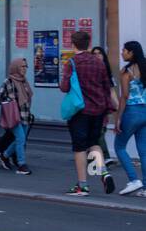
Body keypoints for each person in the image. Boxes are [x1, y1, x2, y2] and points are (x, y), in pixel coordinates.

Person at [59, 29, 116, 195]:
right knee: (94, 143)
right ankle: (103, 172)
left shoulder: (72, 63)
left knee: (80, 148)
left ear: (73, 44)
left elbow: (65, 87)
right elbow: (106, 86)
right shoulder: (98, 62)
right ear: (88, 44)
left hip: (80, 110)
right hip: (98, 110)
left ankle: (82, 185)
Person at [0, 57, 34, 175]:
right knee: (20, 139)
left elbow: (27, 98)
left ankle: (3, 156)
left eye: (26, 66)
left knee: (21, 140)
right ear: (15, 67)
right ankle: (22, 164)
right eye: (22, 66)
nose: (25, 69)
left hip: (25, 115)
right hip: (13, 116)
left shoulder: (24, 81)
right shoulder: (8, 82)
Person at [114, 40, 146, 196]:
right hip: (145, 111)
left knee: (119, 146)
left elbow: (124, 96)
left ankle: (134, 180)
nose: (122, 53)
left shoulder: (126, 71)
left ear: (131, 53)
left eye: (124, 50)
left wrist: (118, 118)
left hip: (132, 111)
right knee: (144, 151)